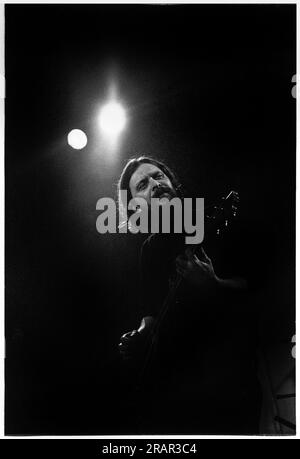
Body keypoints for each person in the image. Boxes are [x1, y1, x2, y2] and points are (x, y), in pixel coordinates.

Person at [118, 156, 261, 434]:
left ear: (172, 182)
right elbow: (150, 315)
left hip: (229, 377)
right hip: (177, 389)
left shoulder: (210, 219)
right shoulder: (149, 250)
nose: (155, 185)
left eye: (159, 176)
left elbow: (253, 285)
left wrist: (213, 283)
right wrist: (138, 334)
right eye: (143, 184)